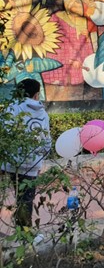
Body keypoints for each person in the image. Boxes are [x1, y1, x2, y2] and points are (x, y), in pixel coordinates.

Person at [1, 79, 52, 228]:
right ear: (36, 94)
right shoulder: (43, 113)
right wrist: (40, 157)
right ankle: (24, 233)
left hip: (11, 163)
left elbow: (4, 133)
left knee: (9, 195)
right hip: (32, 165)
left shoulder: (12, 108)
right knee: (26, 200)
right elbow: (47, 141)